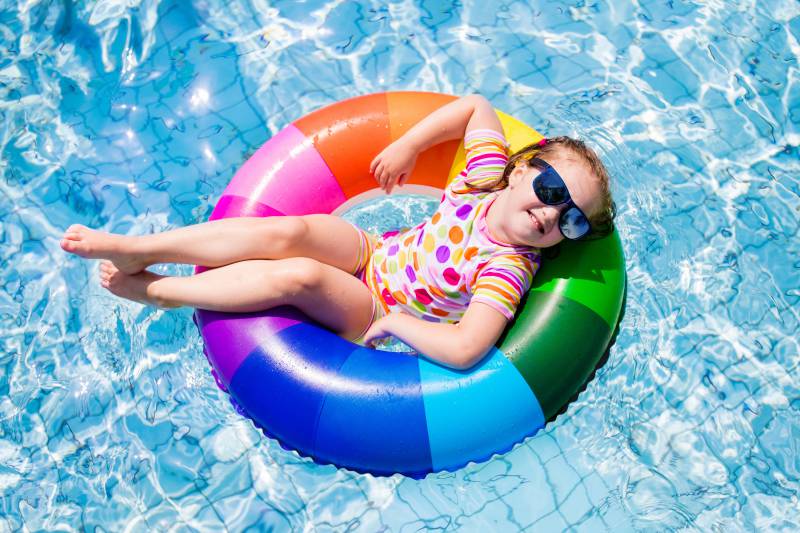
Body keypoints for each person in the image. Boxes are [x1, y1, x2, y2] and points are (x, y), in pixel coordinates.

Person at [60, 94, 615, 371]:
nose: (551, 214)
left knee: (300, 276)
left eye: (571, 219)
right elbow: (476, 106)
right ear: (522, 170)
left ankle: (160, 291)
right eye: (550, 191)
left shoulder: (506, 268)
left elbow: (468, 348)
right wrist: (410, 144)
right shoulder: (484, 180)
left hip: (373, 309)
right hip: (375, 252)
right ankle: (139, 247)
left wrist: (397, 321)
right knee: (295, 230)